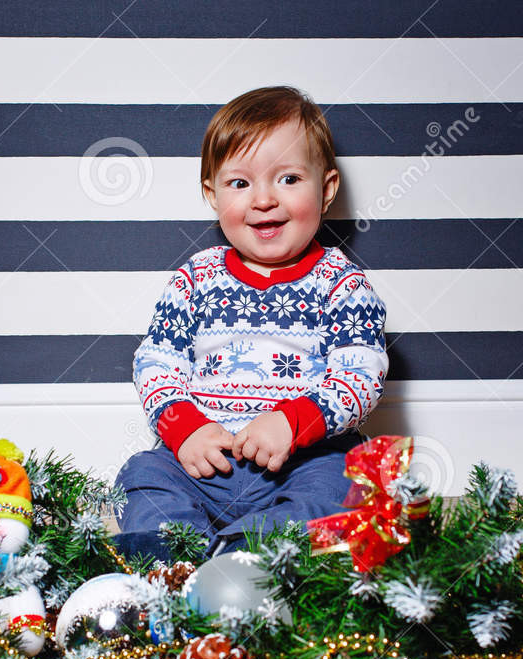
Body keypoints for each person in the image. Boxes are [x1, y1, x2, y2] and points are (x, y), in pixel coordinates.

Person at [113, 86, 388, 561]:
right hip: (204, 463)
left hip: (303, 460)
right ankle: (172, 556)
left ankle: (251, 553)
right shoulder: (197, 277)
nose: (263, 199)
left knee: (347, 482)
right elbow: (156, 362)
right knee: (143, 474)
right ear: (212, 195)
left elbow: (361, 376)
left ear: (326, 190)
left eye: (287, 178)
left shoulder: (342, 283)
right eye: (240, 184)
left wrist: (292, 421)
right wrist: (186, 429)